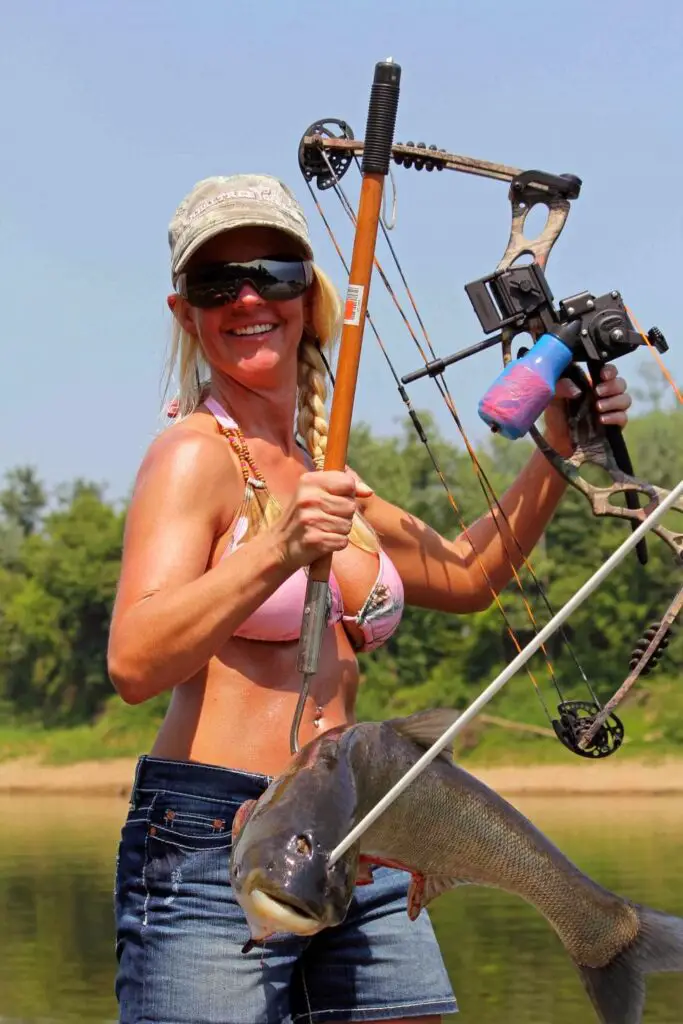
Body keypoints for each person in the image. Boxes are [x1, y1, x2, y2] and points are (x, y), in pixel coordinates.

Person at [109, 173, 631, 1024]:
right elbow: (134, 661)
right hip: (214, 837)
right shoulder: (193, 455)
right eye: (217, 283)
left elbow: (469, 577)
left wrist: (559, 448)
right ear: (186, 315)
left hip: (364, 826)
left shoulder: (322, 469)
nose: (248, 298)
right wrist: (277, 549)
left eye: (273, 275)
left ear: (308, 298)